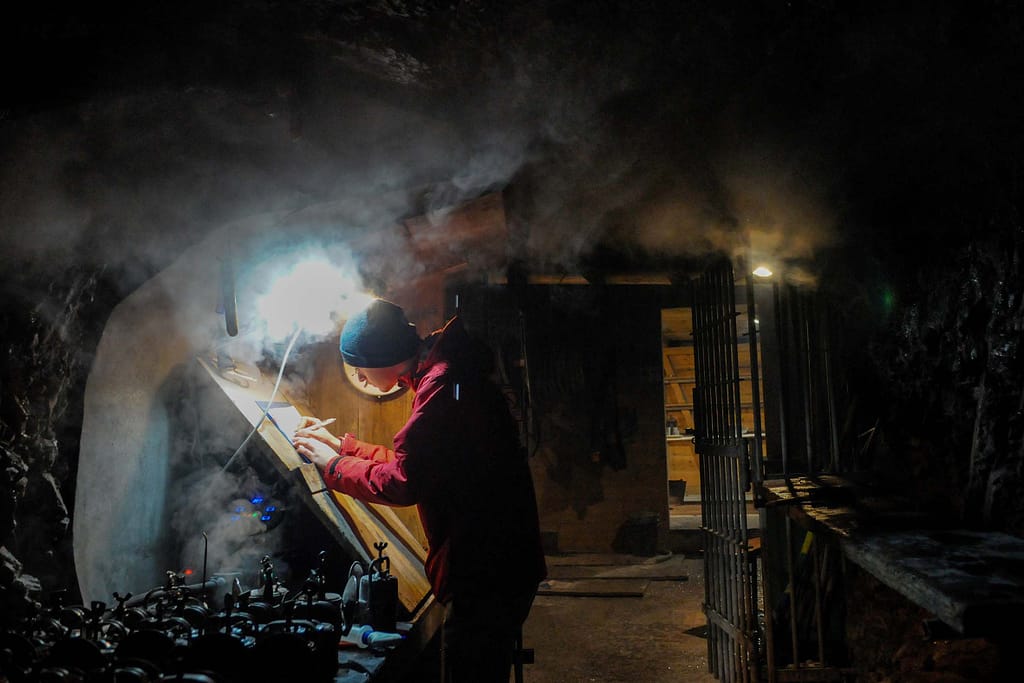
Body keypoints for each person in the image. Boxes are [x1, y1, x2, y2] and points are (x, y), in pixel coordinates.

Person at [293, 298, 547, 682]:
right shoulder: (442, 374)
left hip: (485, 567)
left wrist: (333, 466)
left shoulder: (442, 387)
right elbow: (421, 463)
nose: (361, 378)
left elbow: (405, 481)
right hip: (498, 560)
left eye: (360, 367)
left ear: (384, 357)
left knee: (470, 671)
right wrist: (343, 447)